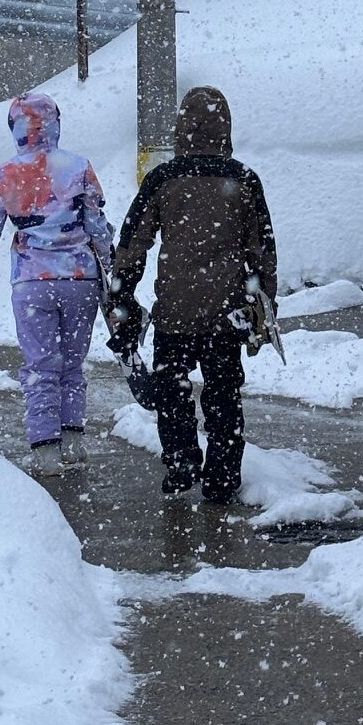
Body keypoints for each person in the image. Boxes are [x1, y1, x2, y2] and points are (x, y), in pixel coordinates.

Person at [108, 86, 276, 503]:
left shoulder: (163, 179)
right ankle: (221, 477)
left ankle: (181, 463)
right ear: (226, 127)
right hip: (225, 312)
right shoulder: (243, 179)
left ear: (181, 127)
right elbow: (263, 252)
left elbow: (133, 242)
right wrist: (261, 305)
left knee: (173, 391)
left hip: (175, 312)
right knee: (224, 396)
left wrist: (123, 292)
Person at [0, 91, 112, 477]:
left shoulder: (6, 174)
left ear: (16, 129)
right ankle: (74, 444)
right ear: (56, 123)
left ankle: (45, 450)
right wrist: (113, 265)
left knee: (41, 366)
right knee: (73, 366)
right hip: (80, 280)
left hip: (31, 282)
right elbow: (97, 226)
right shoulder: (78, 167)